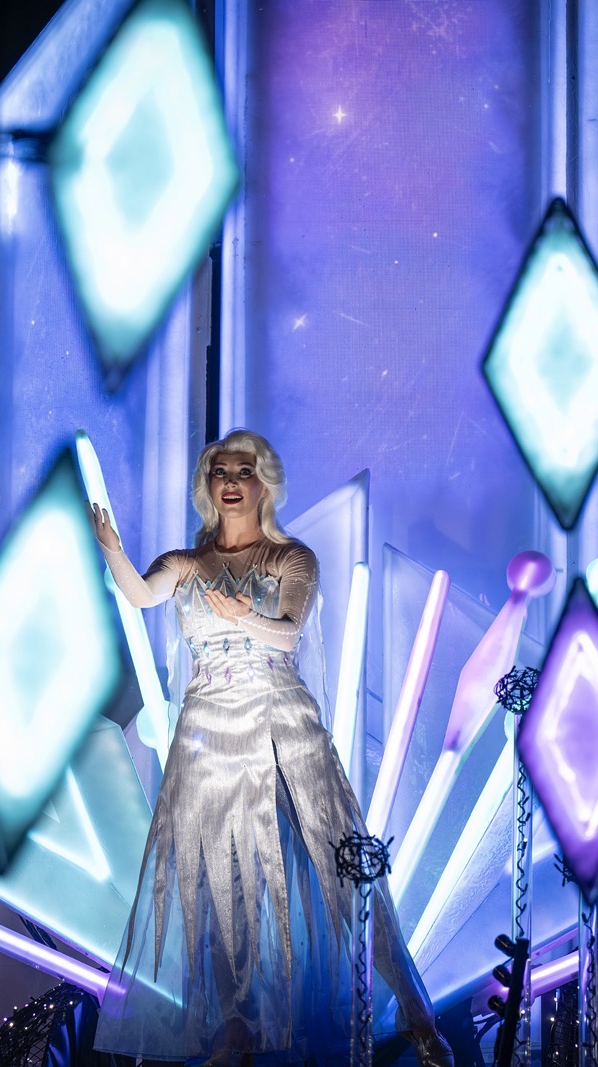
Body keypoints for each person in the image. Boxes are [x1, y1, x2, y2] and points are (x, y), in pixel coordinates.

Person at [90, 429, 453, 1067]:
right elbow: (143, 595)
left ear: (265, 483)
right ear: (208, 486)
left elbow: (286, 637)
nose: (231, 480)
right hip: (208, 728)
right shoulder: (188, 562)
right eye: (220, 470)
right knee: (219, 884)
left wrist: (240, 616)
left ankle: (417, 1015)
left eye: (244, 470)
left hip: (281, 719)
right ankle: (235, 1031)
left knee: (343, 870)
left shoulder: (292, 559)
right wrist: (115, 553)